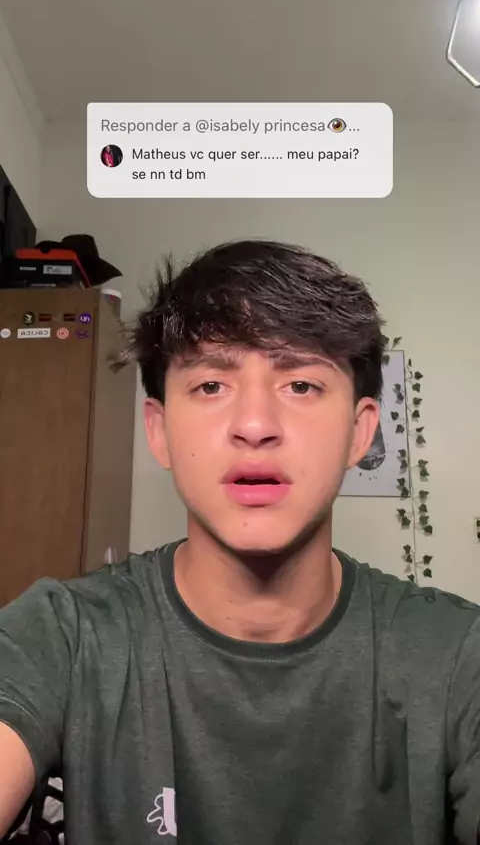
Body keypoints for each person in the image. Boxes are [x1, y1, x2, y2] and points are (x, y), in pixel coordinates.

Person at [0, 239, 479, 845]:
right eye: (210, 385)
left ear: (360, 433)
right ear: (159, 430)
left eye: (300, 384)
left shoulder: (459, 658)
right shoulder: (61, 635)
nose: (255, 426)